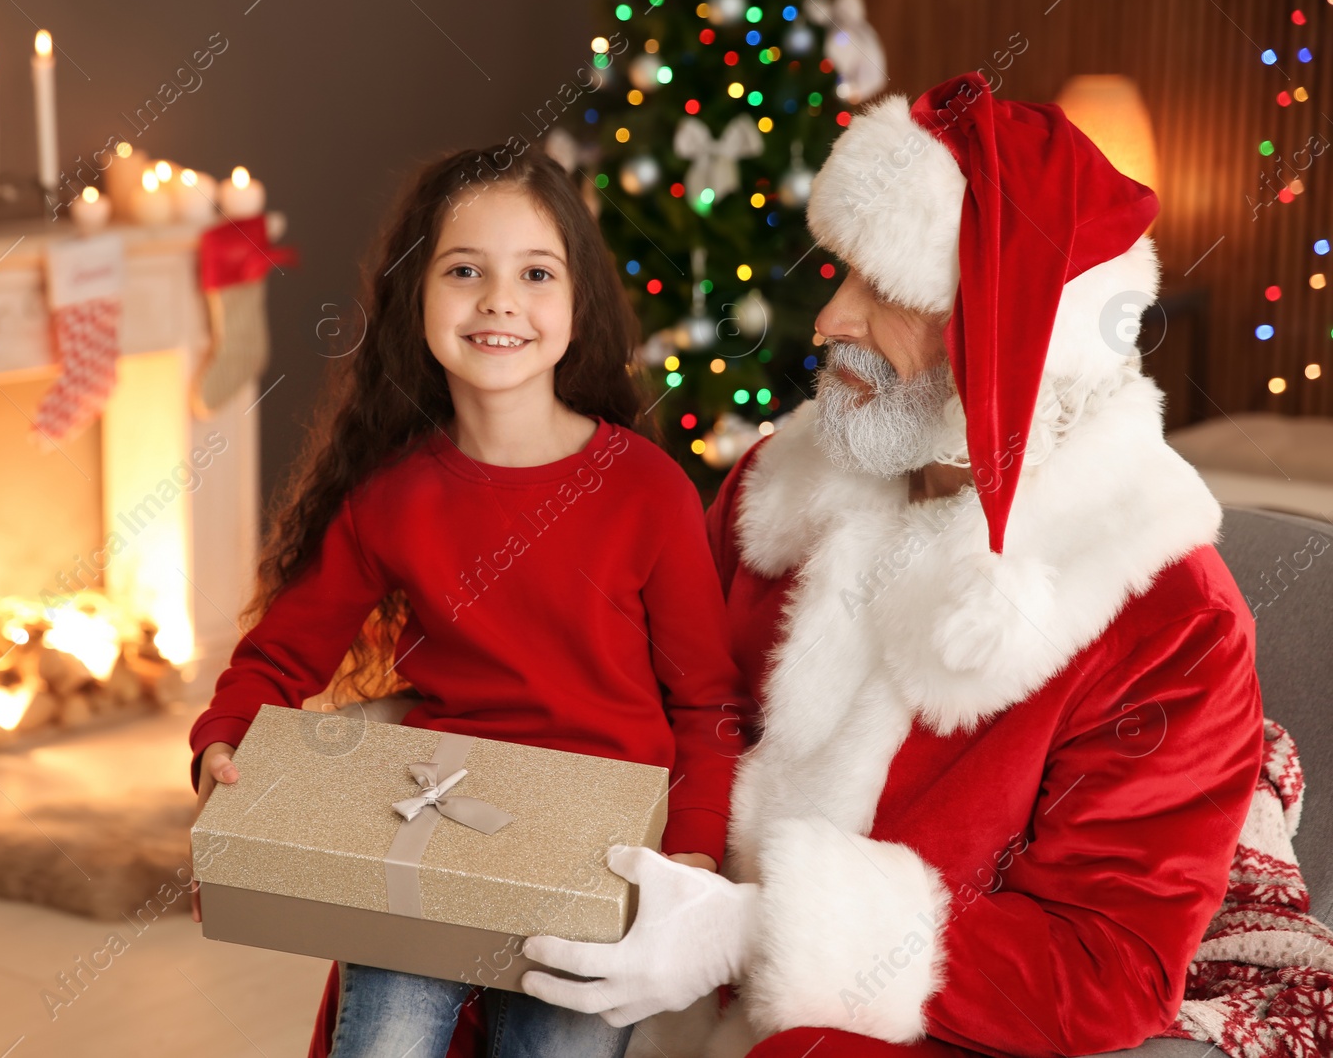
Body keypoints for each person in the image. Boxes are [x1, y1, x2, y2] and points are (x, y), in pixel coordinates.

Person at [520, 71, 1265, 1057]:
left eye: (885, 290)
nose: (828, 318)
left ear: (1015, 335)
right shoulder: (776, 481)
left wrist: (760, 928)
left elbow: (1104, 969)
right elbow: (649, 696)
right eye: (842, 274)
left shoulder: (1166, 610)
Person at [186, 145, 749, 1058]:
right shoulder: (392, 496)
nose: (499, 299)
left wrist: (688, 856)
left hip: (594, 854)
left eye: (535, 272)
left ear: (576, 306)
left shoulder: (648, 490)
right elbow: (282, 655)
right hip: (436, 828)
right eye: (464, 271)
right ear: (418, 297)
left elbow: (708, 703)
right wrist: (225, 730)